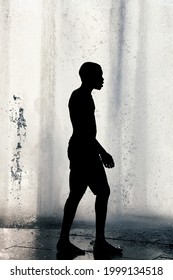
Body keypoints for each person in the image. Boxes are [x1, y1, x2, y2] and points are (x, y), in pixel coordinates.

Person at [57, 62, 122, 256]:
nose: (102, 78)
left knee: (77, 193)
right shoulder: (81, 97)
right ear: (88, 76)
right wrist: (103, 152)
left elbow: (85, 132)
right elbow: (84, 132)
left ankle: (64, 240)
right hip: (84, 151)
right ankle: (99, 242)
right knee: (101, 191)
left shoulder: (84, 96)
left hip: (81, 149)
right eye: (99, 75)